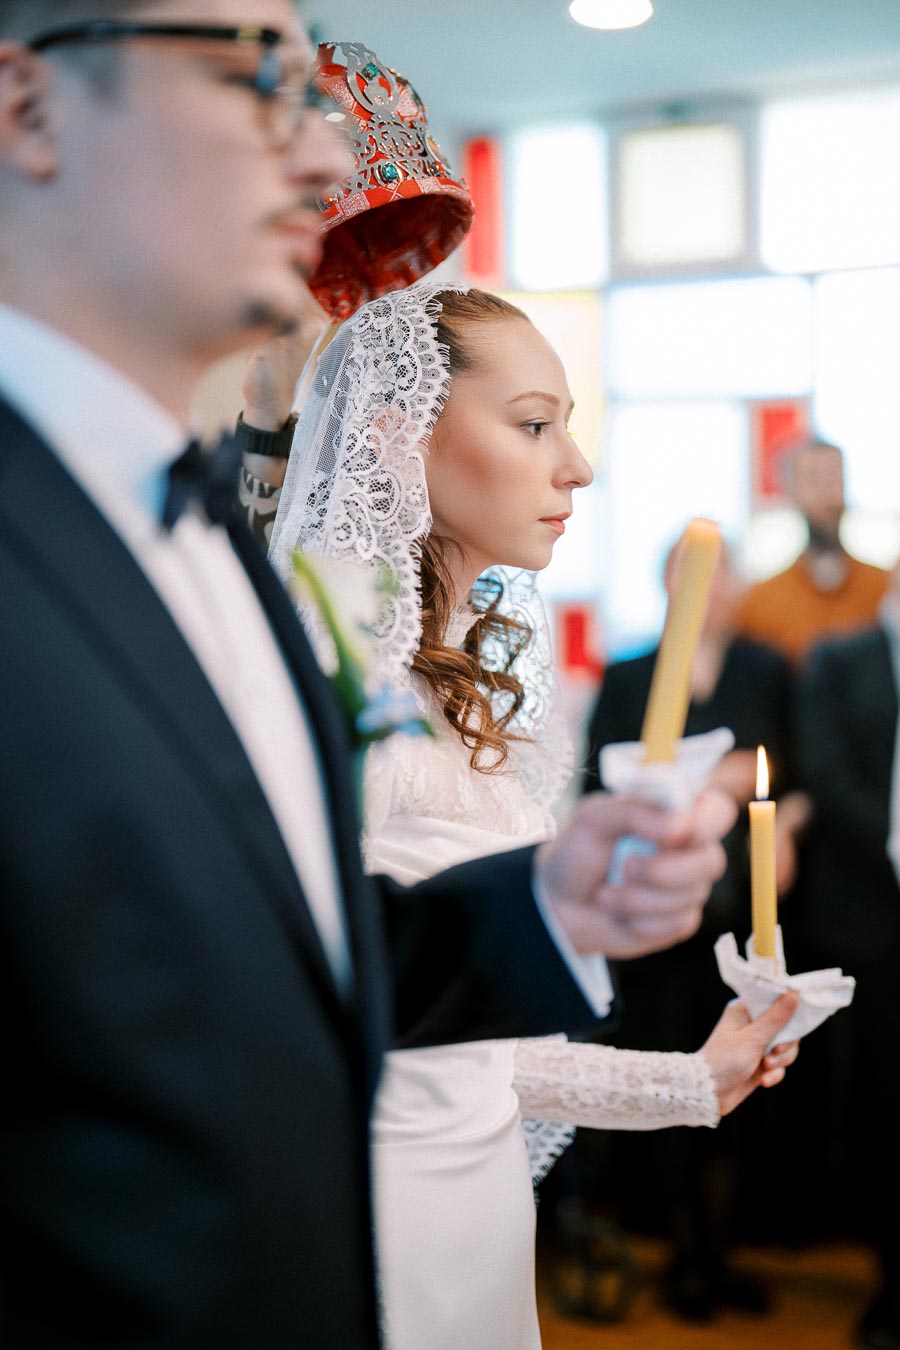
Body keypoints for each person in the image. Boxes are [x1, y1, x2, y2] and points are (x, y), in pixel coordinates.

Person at [0, 5, 741, 1346]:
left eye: (316, 93)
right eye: (254, 80)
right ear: (30, 109)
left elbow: (311, 955)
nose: (316, 151)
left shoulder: (214, 541)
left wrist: (547, 907)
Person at [257, 282, 800, 1350]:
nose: (577, 469)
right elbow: (321, 1002)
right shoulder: (329, 682)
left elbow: (482, 1055)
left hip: (480, 1207)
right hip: (374, 1206)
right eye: (535, 424)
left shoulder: (475, 710)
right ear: (394, 431)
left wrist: (691, 1082)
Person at [582, 534, 806, 1320]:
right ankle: (680, 1249)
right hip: (657, 907)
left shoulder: (765, 668)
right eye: (690, 574)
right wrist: (722, 772)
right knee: (676, 1062)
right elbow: (606, 774)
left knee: (751, 1076)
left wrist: (775, 819)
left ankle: (724, 1249)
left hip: (750, 901)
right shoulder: (629, 673)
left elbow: (789, 776)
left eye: (719, 575)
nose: (708, 590)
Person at [794, 563, 900, 1349]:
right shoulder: (840, 655)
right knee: (880, 1106)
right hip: (870, 915)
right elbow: (825, 771)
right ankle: (890, 1284)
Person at [736, 438, 888, 665]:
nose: (827, 492)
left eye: (834, 476)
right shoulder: (760, 603)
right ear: (791, 492)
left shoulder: (882, 589)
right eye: (813, 479)